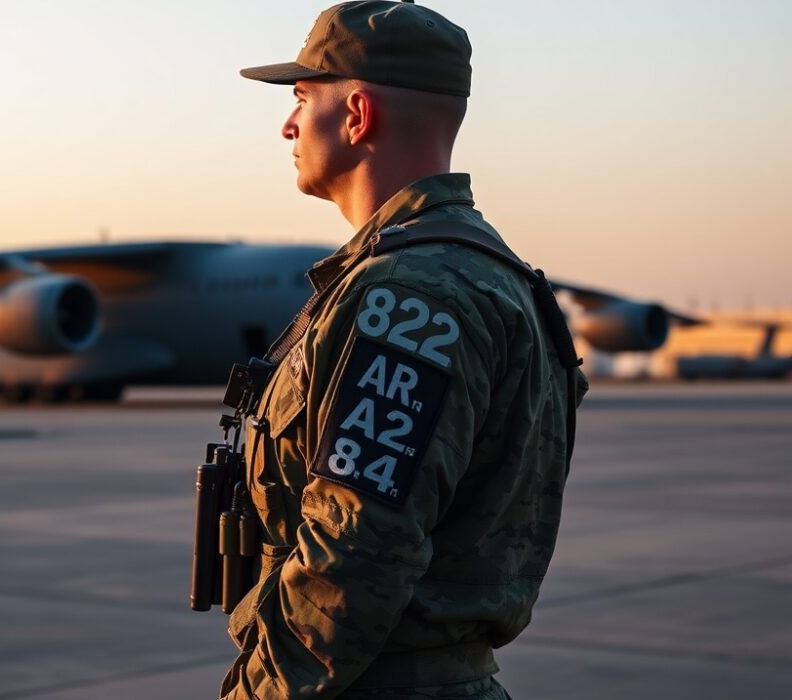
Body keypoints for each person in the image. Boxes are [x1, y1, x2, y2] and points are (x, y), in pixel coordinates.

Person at [221, 2, 588, 698]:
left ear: (357, 116)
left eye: (303, 99)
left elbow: (352, 559)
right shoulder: (489, 275)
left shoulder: (410, 297)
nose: (288, 125)